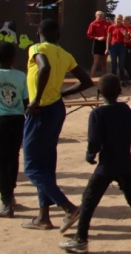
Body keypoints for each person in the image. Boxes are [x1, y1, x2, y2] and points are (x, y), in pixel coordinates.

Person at [57, 74, 131, 253]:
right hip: (125, 162)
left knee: (89, 199)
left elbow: (94, 140)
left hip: (107, 165)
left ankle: (81, 238)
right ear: (120, 91)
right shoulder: (125, 110)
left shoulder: (98, 113)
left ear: (99, 92)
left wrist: (90, 155)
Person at [23, 19, 93, 231]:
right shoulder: (65, 54)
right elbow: (86, 81)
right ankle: (43, 217)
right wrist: (64, 93)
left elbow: (44, 67)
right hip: (56, 109)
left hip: (41, 110)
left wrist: (35, 100)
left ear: (38, 33)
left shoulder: (36, 48)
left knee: (32, 168)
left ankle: (68, 208)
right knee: (45, 164)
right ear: (58, 36)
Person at [0, 42, 27, 218]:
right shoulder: (21, 76)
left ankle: (6, 201)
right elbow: (26, 102)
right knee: (13, 157)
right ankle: (10, 194)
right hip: (18, 120)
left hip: (1, 120)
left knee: (2, 160)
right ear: (13, 58)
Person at [86, 11, 110, 78]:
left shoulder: (107, 23)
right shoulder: (93, 24)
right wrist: (97, 38)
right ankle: (91, 78)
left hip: (105, 43)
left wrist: (105, 38)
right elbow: (88, 34)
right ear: (96, 16)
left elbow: (110, 32)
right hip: (97, 43)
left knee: (104, 62)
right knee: (96, 61)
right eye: (98, 16)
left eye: (101, 16)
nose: (100, 17)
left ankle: (104, 78)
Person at [106, 14, 129, 84]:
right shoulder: (111, 27)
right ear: (114, 19)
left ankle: (122, 79)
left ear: (122, 20)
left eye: (120, 19)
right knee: (114, 63)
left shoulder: (124, 27)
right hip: (113, 46)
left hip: (121, 46)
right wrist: (107, 48)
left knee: (121, 64)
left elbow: (127, 38)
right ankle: (113, 80)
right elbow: (108, 38)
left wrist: (125, 34)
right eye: (117, 19)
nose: (119, 20)